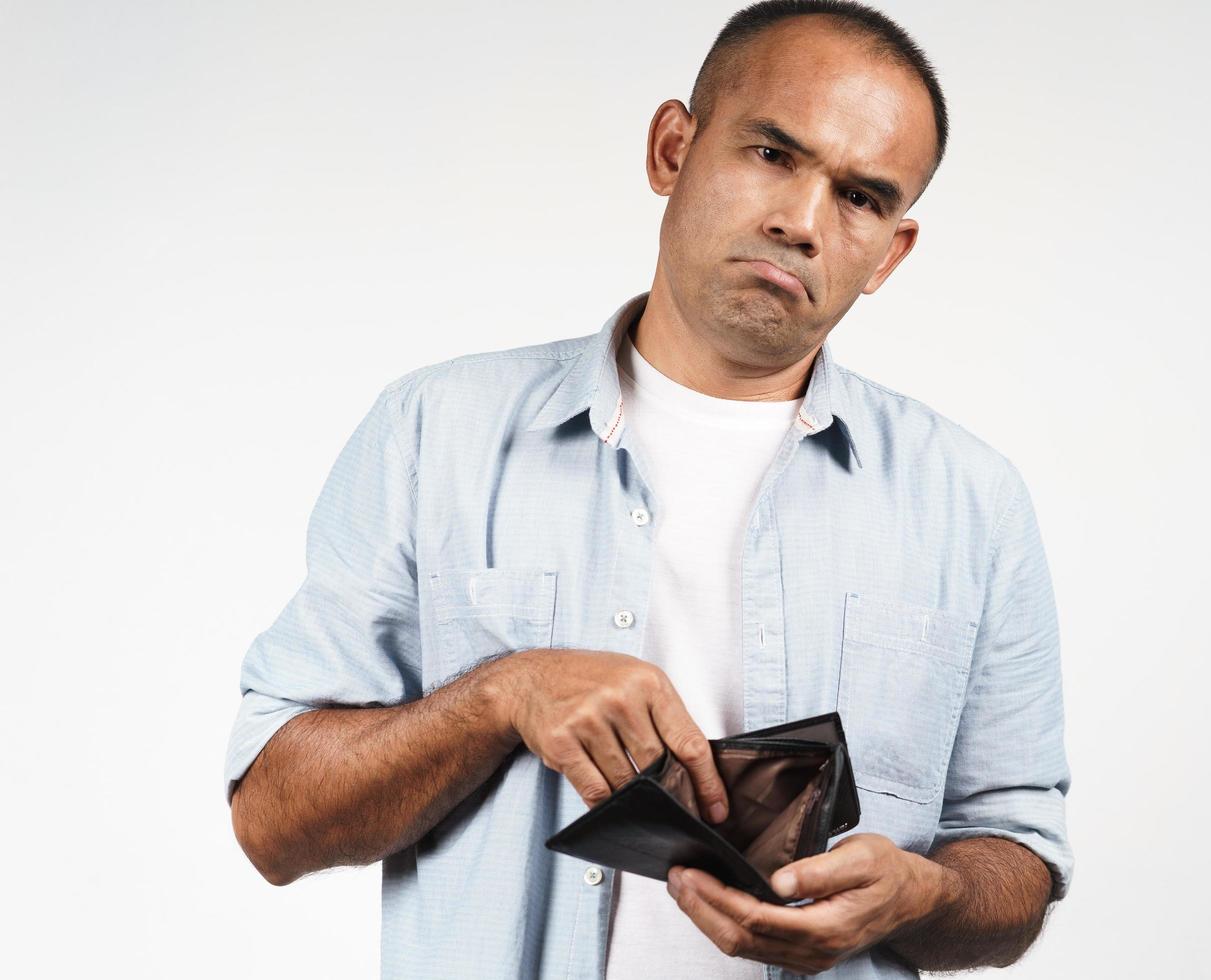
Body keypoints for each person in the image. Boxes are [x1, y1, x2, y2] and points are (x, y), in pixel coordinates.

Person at [224, 1, 1073, 976]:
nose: (801, 220)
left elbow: (1019, 861)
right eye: (770, 152)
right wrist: (504, 694)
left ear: (892, 250)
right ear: (673, 147)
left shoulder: (972, 501)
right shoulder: (435, 433)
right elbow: (272, 819)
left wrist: (926, 892)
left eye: (861, 197)